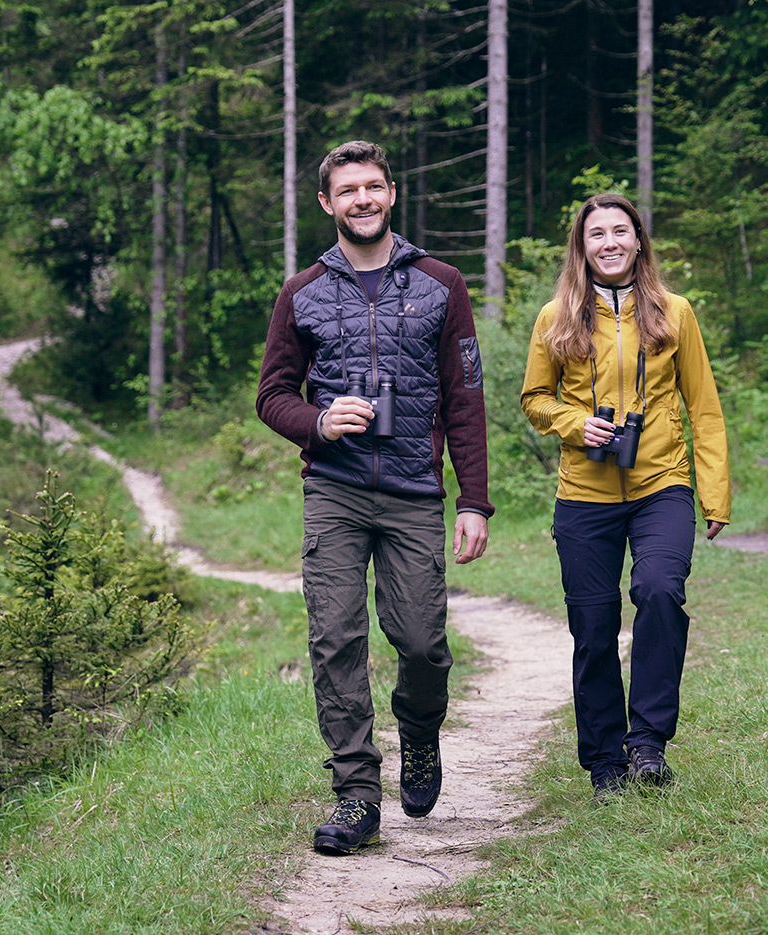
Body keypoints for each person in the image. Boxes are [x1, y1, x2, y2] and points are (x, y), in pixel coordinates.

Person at [256, 140, 492, 854]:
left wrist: (473, 501)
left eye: (373, 187)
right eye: (347, 190)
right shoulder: (301, 292)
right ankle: (356, 794)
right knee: (335, 640)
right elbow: (271, 395)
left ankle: (420, 733)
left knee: (421, 642)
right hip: (334, 489)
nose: (362, 199)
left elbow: (466, 399)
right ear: (327, 204)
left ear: (393, 194)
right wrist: (319, 421)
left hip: (415, 492)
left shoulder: (441, 283)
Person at [520, 193, 730, 802]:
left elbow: (705, 409)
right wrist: (571, 422)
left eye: (620, 231)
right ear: (581, 249)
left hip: (661, 482)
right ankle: (605, 762)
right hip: (584, 492)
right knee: (593, 627)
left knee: (660, 592)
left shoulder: (675, 312)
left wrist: (714, 493)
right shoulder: (554, 317)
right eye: (596, 234)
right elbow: (535, 398)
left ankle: (648, 746)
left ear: (639, 241)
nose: (609, 243)